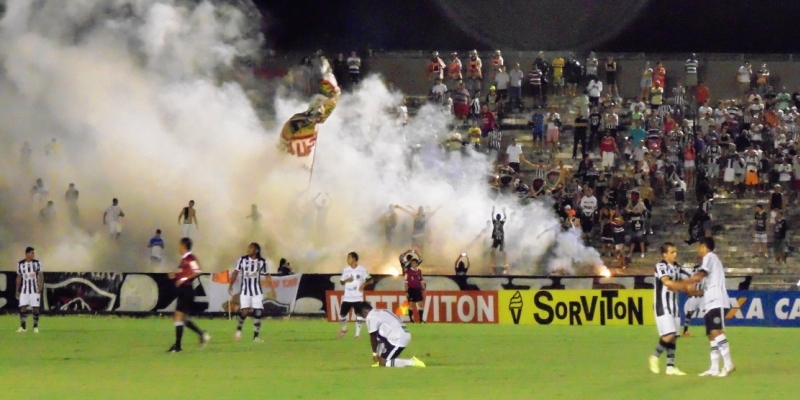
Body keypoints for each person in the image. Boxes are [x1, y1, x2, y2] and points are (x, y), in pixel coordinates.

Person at [681, 238, 735, 377]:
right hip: (709, 303)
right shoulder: (709, 263)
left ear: (704, 246)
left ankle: (729, 364)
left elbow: (700, 275)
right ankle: (714, 367)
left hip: (718, 301)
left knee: (717, 332)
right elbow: (704, 289)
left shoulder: (710, 257)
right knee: (711, 335)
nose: (698, 250)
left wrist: (688, 281)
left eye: (699, 247)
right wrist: (692, 292)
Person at [648, 243, 694, 375]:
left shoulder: (677, 268)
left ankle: (670, 367)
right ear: (665, 254)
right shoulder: (661, 266)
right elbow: (667, 282)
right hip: (662, 305)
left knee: (674, 337)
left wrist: (689, 289)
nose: (675, 254)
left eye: (675, 252)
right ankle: (654, 356)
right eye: (672, 252)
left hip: (674, 305)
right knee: (669, 334)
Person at [167, 237, 210, 352]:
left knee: (178, 316)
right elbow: (184, 273)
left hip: (187, 290)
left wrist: (183, 279)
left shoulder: (190, 257)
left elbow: (197, 271)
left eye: (180, 245)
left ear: (184, 246)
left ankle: (178, 346)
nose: (178, 247)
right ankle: (202, 335)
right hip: (184, 290)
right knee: (181, 318)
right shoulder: (184, 259)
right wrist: (175, 276)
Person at [229, 243, 274, 342]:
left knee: (258, 312)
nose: (248, 249)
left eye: (251, 248)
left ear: (256, 251)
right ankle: (239, 329)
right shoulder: (243, 260)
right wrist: (230, 285)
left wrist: (272, 289)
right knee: (245, 312)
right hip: (245, 290)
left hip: (257, 291)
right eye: (248, 247)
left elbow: (267, 275)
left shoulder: (262, 262)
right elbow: (236, 272)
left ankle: (256, 337)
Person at [358, 302, 425, 368]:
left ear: (365, 312)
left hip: (398, 339)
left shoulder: (370, 317)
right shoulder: (382, 311)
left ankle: (412, 362)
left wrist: (375, 354)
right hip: (400, 334)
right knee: (379, 335)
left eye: (362, 315)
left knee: (385, 363)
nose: (363, 318)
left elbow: (373, 337)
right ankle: (380, 360)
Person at [338, 252, 373, 338]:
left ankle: (357, 334)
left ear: (354, 259)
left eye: (349, 257)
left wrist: (364, 284)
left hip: (358, 298)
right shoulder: (346, 270)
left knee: (359, 315)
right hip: (347, 297)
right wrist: (347, 280)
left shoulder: (362, 270)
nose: (347, 259)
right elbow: (341, 282)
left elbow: (371, 280)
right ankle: (344, 329)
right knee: (342, 315)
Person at [16, 247, 43, 333]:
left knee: (35, 308)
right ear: (27, 254)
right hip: (24, 290)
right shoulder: (20, 264)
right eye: (32, 253)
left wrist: (40, 286)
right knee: (23, 307)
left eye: (34, 253)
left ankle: (35, 327)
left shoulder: (37, 263)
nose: (33, 255)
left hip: (34, 289)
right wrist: (17, 290)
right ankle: (23, 327)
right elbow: (19, 277)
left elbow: (40, 275)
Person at [680, 264, 703, 337]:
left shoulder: (706, 269)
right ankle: (685, 331)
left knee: (709, 312)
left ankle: (713, 329)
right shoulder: (695, 269)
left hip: (703, 295)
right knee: (689, 312)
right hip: (695, 295)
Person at [403, 253, 425, 323]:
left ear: (417, 264)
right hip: (411, 289)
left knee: (420, 304)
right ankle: (411, 320)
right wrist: (406, 291)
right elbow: (406, 282)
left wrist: (423, 288)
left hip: (418, 289)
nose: (413, 264)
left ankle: (421, 320)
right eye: (412, 263)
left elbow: (421, 280)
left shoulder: (419, 271)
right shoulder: (408, 272)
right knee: (411, 304)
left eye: (414, 263)